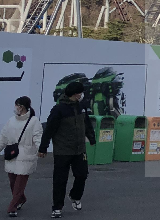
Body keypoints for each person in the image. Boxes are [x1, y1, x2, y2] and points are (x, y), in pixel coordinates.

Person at [39, 81, 95, 219]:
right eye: (79, 93)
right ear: (73, 94)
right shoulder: (59, 109)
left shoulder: (81, 107)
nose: (81, 95)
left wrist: (91, 137)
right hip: (63, 150)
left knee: (82, 175)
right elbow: (49, 129)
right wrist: (43, 147)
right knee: (60, 180)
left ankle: (75, 196)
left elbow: (86, 123)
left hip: (79, 150)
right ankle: (57, 207)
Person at [0, 97, 43, 217]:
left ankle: (12, 207)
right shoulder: (11, 121)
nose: (15, 108)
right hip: (12, 155)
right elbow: (3, 138)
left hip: (26, 156)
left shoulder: (34, 121)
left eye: (16, 105)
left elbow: (38, 137)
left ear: (21, 106)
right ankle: (21, 199)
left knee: (19, 184)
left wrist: (41, 149)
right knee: (13, 182)